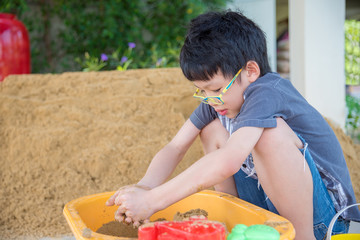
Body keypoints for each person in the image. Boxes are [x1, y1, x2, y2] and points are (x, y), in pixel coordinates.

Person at [106, 11, 360, 240]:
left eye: (215, 89)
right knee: (211, 128)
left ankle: (301, 238)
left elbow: (228, 160)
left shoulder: (267, 92)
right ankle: (237, 224)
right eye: (201, 91)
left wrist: (153, 200)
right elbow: (175, 147)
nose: (209, 99)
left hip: (322, 219)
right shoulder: (216, 102)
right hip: (270, 209)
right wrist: (143, 187)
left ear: (250, 71)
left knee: (268, 134)